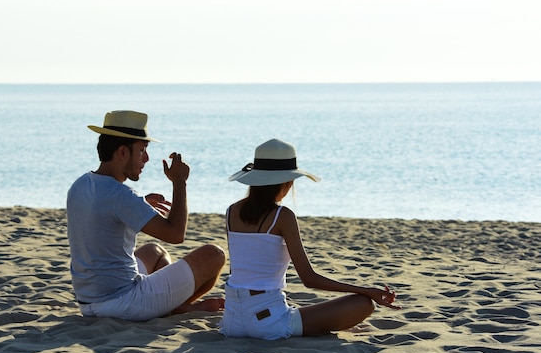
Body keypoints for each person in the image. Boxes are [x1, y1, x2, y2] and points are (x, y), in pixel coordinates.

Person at [219, 138, 400, 340]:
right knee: (363, 304)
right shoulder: (282, 216)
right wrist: (366, 291)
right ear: (286, 182)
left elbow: (241, 272)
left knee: (299, 309)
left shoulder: (231, 211)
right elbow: (309, 279)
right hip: (267, 322)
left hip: (231, 321)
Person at [67, 110, 226, 322]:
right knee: (215, 255)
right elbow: (177, 234)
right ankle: (178, 308)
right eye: (142, 150)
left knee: (155, 251)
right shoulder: (120, 195)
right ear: (123, 152)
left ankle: (175, 306)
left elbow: (102, 217)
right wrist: (179, 183)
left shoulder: (81, 184)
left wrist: (140, 205)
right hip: (124, 302)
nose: (146, 158)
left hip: (89, 302)